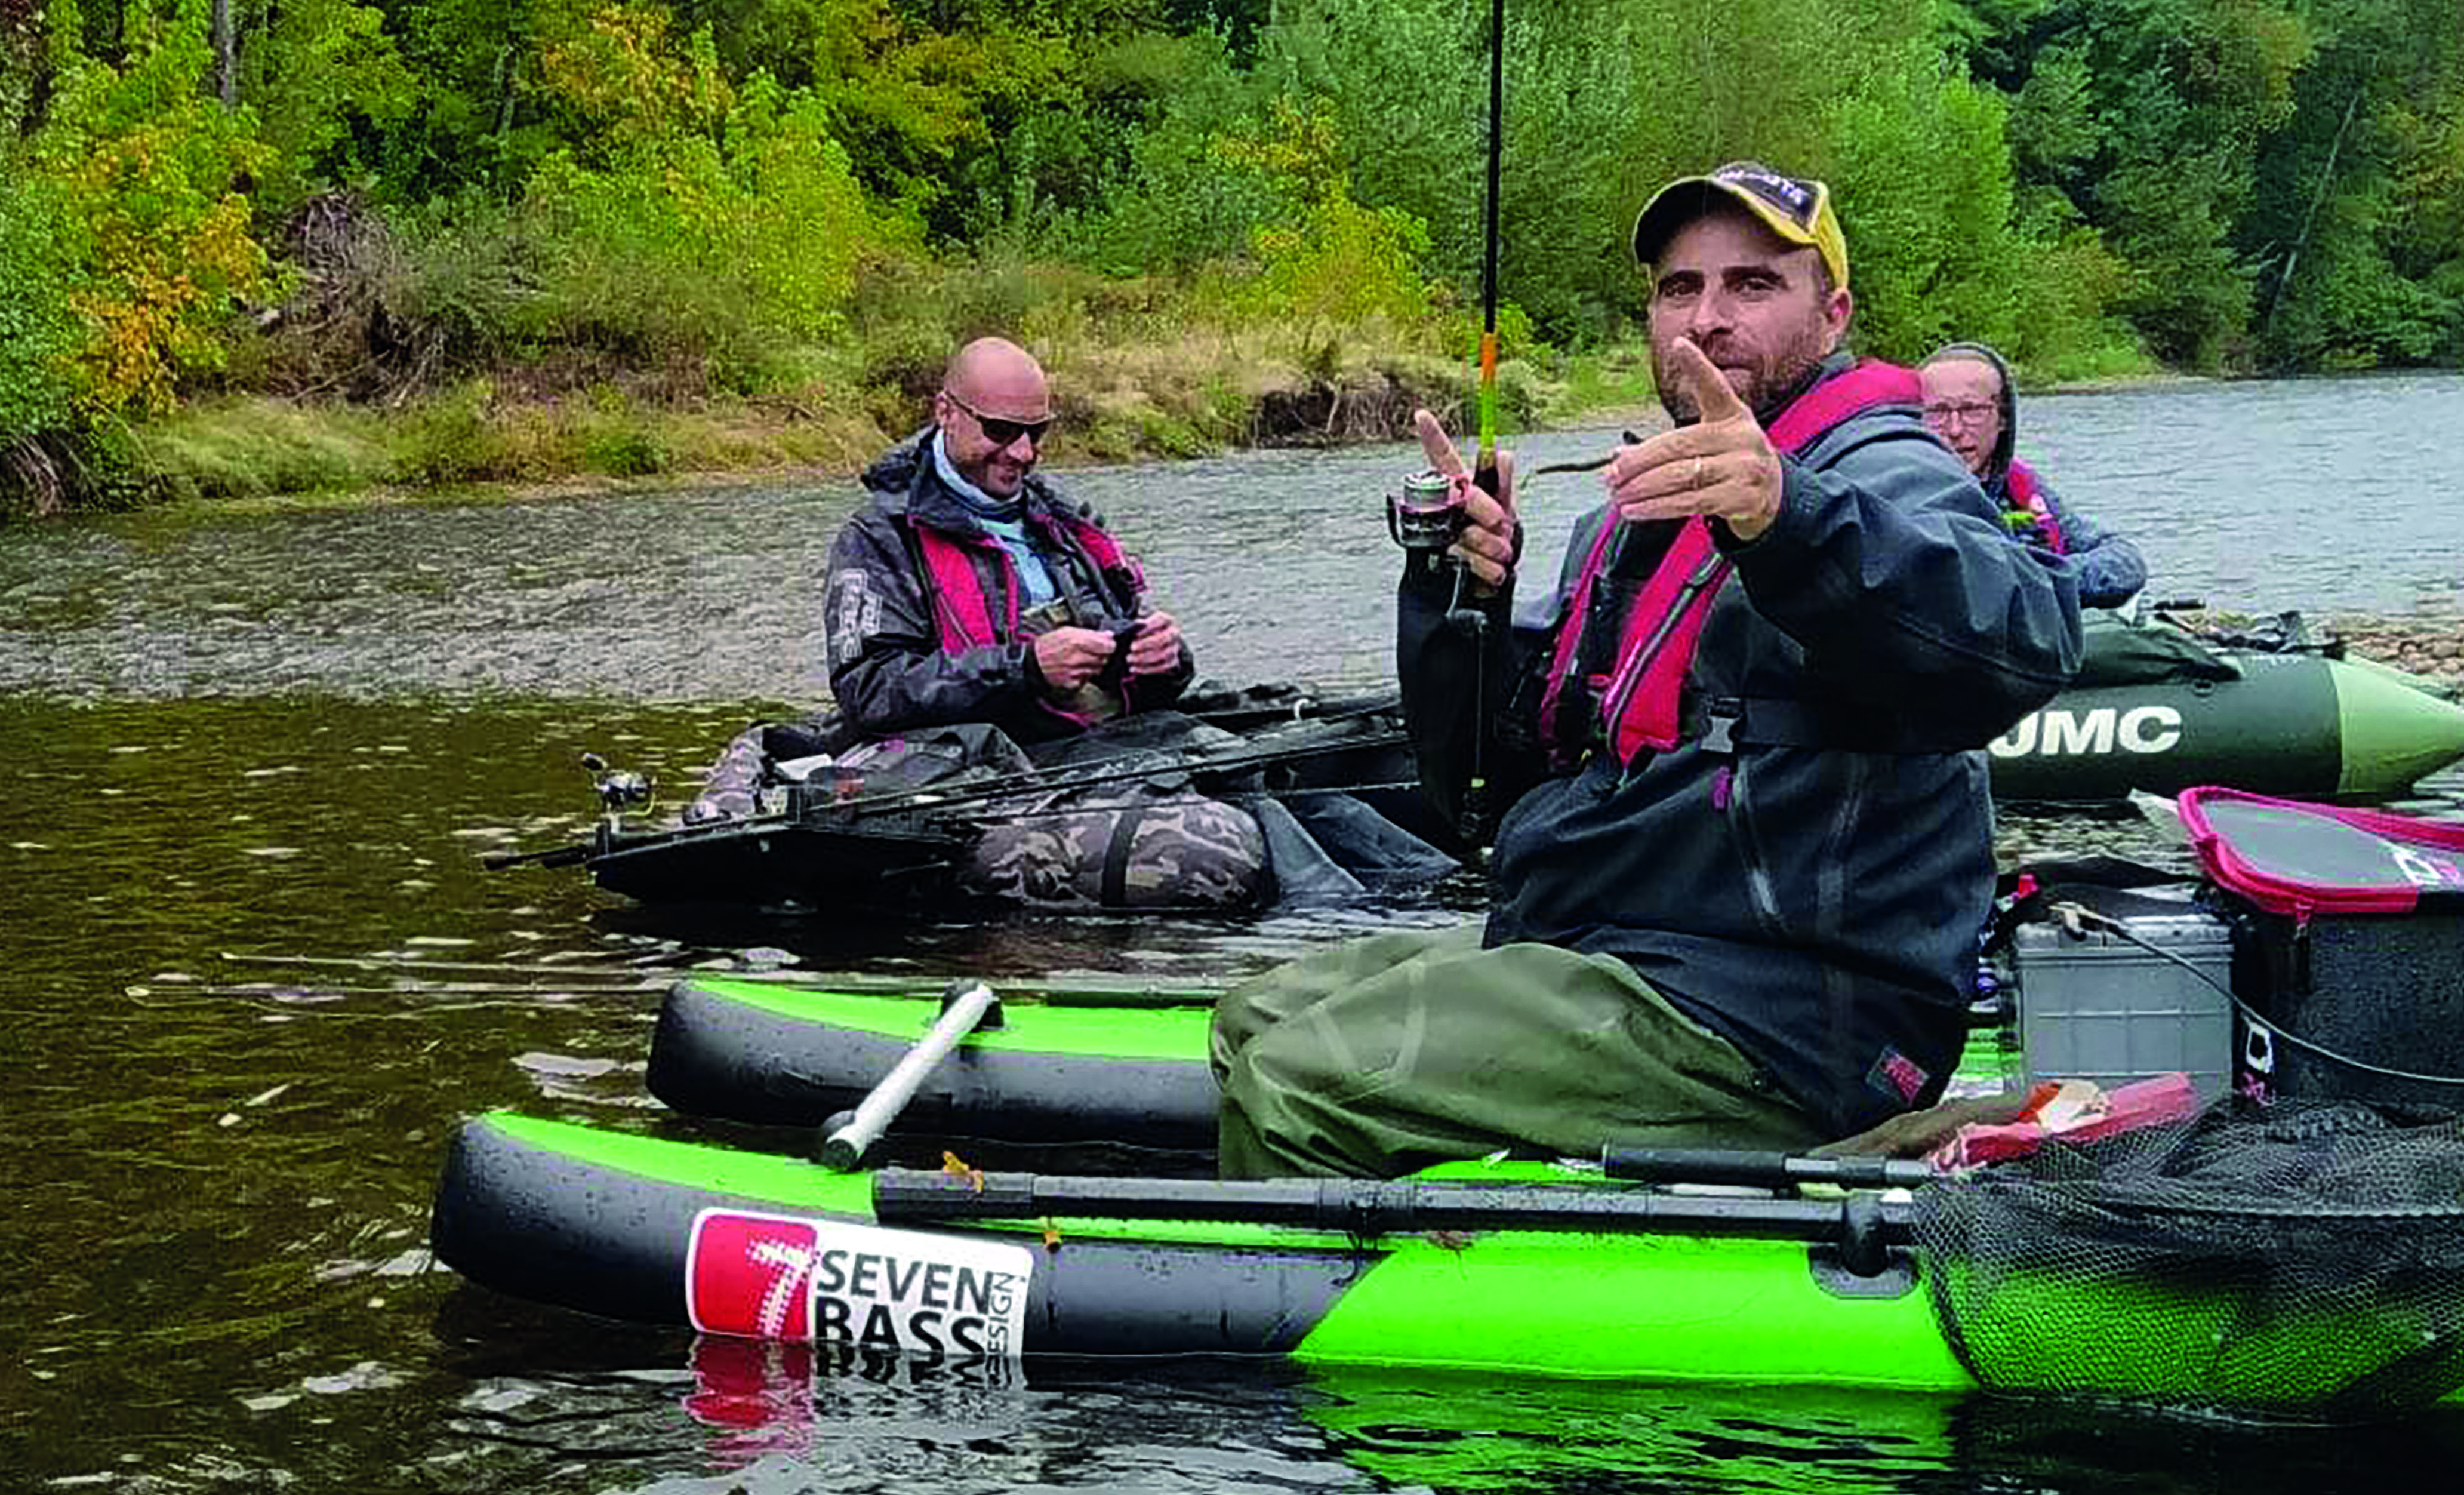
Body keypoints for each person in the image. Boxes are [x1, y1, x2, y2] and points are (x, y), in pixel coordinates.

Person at [1212, 161, 2076, 1175]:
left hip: (1785, 1015)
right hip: (1622, 946)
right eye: (1679, 288)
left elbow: (2025, 641)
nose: (1706, 318)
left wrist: (1786, 515)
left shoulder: (1881, 470)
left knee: (1292, 1084)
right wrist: (1463, 601)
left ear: (1831, 315)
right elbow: (1485, 799)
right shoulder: (1628, 522)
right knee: (1248, 1017)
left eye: (1752, 284)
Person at [823, 338, 1194, 745]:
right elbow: (869, 691)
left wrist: (1166, 659)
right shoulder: (878, 539)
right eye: (1000, 430)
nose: (1022, 452)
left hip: (1108, 744)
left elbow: (1144, 653)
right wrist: (1025, 668)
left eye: (1037, 431)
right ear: (945, 412)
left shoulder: (1070, 521)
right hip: (991, 761)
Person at [1914, 342, 2149, 609]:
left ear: (2003, 418)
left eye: (1972, 410)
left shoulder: (2020, 487)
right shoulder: (1897, 496)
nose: (1955, 429)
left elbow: (2125, 561)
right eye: (1937, 412)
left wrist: (2041, 579)